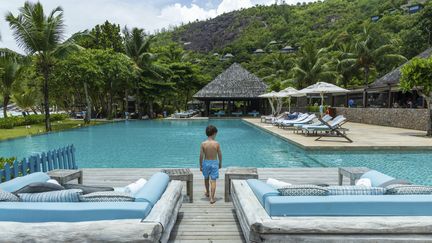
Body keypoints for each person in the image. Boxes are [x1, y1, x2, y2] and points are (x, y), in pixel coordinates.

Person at [199, 125, 222, 204]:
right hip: (214, 163)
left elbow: (201, 155)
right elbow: (220, 154)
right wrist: (220, 163)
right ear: (214, 133)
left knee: (206, 178)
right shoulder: (216, 143)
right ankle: (212, 198)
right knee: (213, 180)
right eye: (216, 134)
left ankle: (207, 192)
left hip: (206, 162)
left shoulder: (203, 144)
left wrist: (201, 165)